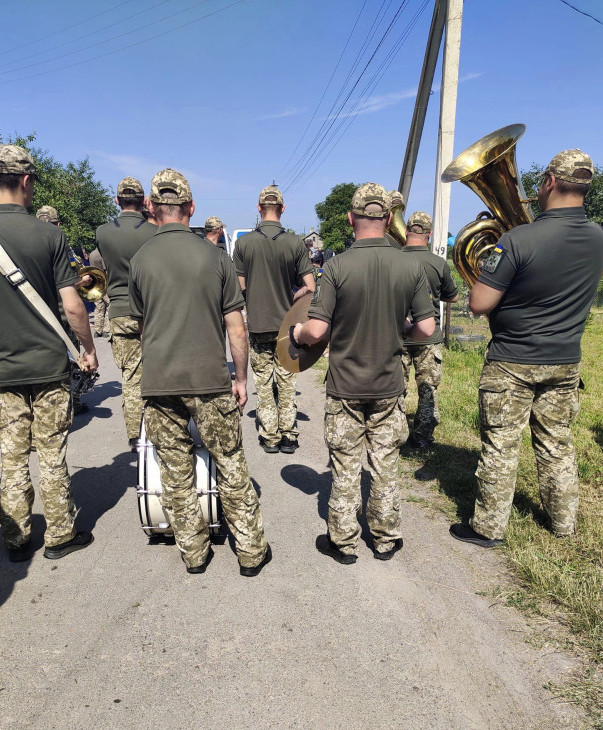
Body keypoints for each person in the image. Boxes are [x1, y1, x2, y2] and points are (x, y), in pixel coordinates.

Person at [450, 149, 603, 548]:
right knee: (557, 443)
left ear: (550, 182)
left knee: (501, 445)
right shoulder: (598, 237)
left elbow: (479, 303)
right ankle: (564, 523)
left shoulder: (517, 239)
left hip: (513, 361)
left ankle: (487, 528)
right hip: (565, 361)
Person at [128, 169, 271, 577]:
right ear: (191, 207)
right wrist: (240, 379)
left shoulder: (139, 261)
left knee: (175, 474)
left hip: (160, 384)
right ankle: (250, 552)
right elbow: (236, 328)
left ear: (152, 207)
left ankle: (194, 554)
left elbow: (142, 329)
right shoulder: (216, 258)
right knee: (230, 463)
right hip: (209, 381)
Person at [0, 144, 97, 561]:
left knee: (13, 457)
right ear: (25, 181)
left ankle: (16, 538)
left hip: (3, 369)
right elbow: (73, 307)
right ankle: (60, 535)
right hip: (49, 366)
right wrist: (88, 349)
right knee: (52, 455)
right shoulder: (49, 235)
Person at [292, 183, 435, 563]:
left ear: (350, 218)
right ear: (388, 219)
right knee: (385, 466)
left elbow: (317, 331)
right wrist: (400, 330)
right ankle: (386, 540)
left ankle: (344, 543)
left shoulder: (336, 267)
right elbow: (426, 328)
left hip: (345, 388)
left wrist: (296, 332)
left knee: (344, 467)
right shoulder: (411, 266)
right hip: (389, 386)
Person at [233, 185, 315, 454]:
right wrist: (291, 297)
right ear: (283, 208)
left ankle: (269, 436)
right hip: (286, 326)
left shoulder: (244, 243)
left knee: (264, 383)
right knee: (287, 381)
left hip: (258, 324)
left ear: (259, 208)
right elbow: (310, 286)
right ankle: (289, 435)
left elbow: (239, 286)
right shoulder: (295, 243)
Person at [95, 177, 156, 448]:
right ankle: (155, 428)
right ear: (144, 201)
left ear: (117, 200)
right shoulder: (154, 232)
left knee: (130, 377)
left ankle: (135, 434)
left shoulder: (103, 232)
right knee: (155, 372)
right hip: (150, 310)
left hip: (119, 310)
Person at [401, 211, 458, 448]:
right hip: (429, 336)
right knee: (428, 389)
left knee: (396, 388)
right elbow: (453, 297)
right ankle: (423, 438)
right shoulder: (438, 263)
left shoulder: (393, 259)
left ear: (407, 231)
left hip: (399, 335)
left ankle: (395, 433)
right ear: (430, 234)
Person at [35, 205, 88, 415]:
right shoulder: (61, 247)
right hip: (64, 314)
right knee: (73, 359)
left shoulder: (30, 249)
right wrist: (83, 281)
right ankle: (73, 402)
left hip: (42, 316)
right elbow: (68, 283)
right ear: (58, 224)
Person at [88, 247, 110, 338]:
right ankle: (106, 330)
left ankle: (97, 330)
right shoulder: (102, 254)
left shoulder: (92, 254)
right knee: (109, 305)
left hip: (95, 284)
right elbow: (106, 271)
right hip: (103, 283)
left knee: (99, 306)